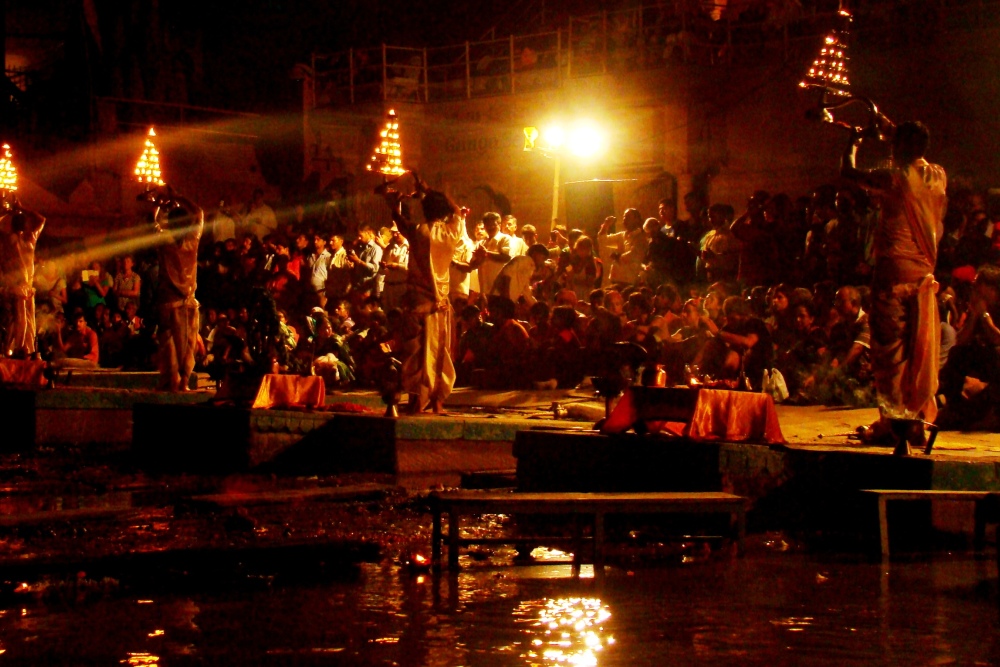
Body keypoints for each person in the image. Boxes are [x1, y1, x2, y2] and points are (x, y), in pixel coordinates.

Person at [842, 121, 946, 443]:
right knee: (918, 350)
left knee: (890, 354)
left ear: (897, 147)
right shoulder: (938, 175)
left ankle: (895, 423)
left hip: (893, 274)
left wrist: (854, 141)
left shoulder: (894, 177)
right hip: (922, 272)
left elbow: (849, 173)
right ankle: (914, 421)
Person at [399, 187, 464, 414]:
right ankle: (437, 401)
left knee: (416, 352)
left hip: (418, 302)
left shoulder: (418, 231)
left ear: (424, 211)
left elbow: (400, 222)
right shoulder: (452, 232)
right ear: (445, 212)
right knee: (438, 351)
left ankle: (416, 400)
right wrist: (434, 191)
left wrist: (395, 204)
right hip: (440, 304)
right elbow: (457, 211)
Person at [148, 186, 204, 391]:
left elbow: (154, 222)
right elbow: (199, 213)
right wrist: (178, 196)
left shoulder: (165, 239)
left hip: (168, 299)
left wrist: (160, 205)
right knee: (188, 344)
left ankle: (172, 379)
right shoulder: (193, 239)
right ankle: (184, 380)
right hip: (189, 300)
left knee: (167, 338)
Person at [0, 199, 45, 358]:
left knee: (20, 318)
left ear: (12, 225)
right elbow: (42, 220)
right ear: (25, 225)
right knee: (26, 319)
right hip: (26, 285)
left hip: (19, 286)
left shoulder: (9, 239)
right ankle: (24, 349)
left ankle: (21, 349)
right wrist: (23, 208)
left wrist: (7, 212)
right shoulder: (31, 239)